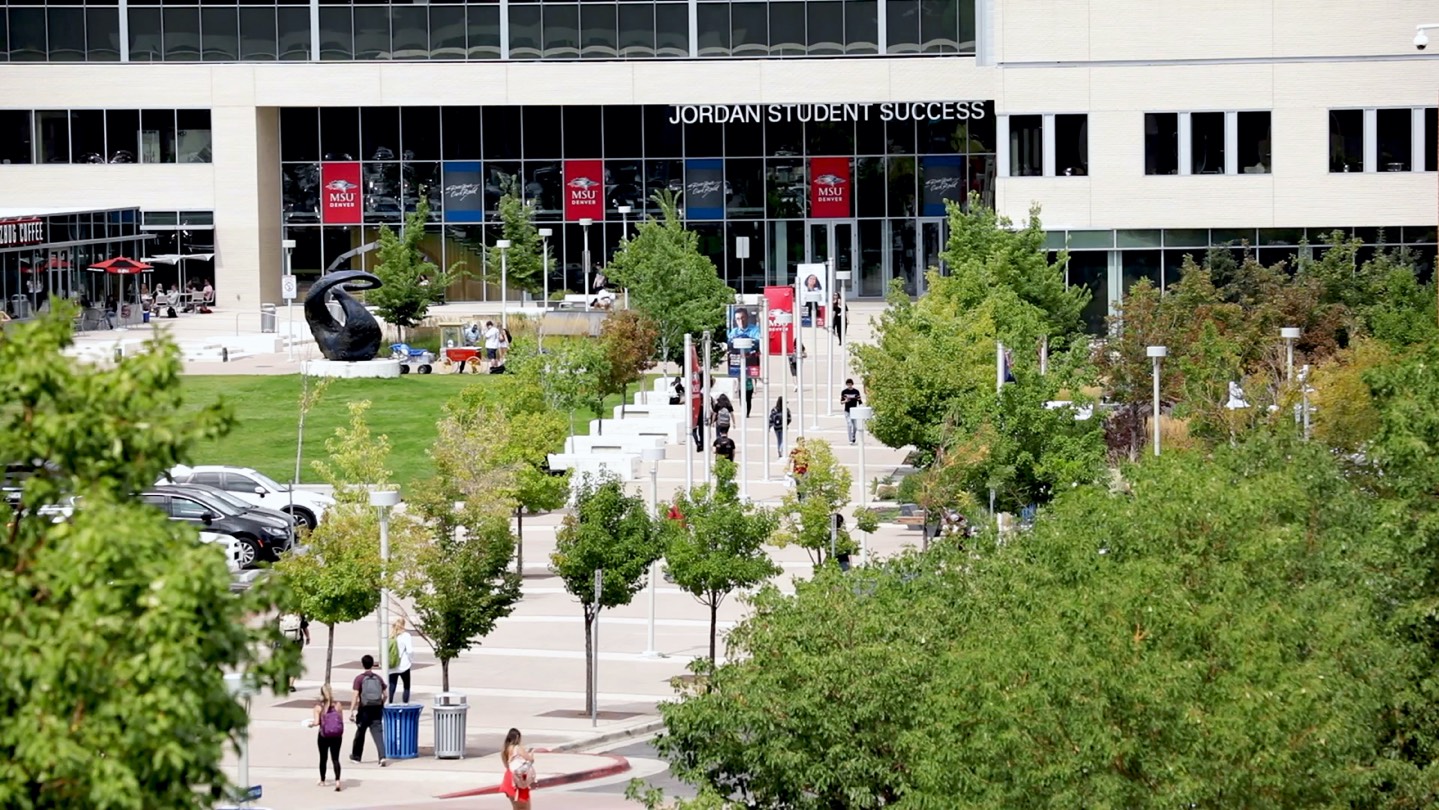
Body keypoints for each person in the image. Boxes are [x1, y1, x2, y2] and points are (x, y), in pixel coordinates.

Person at [348, 654, 388, 767]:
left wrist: (351, 710)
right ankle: (382, 756)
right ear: (372, 664)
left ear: (362, 664)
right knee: (378, 734)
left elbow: (355, 696)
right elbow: (386, 694)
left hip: (364, 709)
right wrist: (381, 703)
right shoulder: (378, 678)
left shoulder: (359, 679)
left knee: (360, 732)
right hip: (377, 709)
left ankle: (356, 756)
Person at [310, 684, 345, 791]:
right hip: (337, 735)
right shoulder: (338, 705)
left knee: (323, 758)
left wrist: (311, 724)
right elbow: (341, 721)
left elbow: (316, 723)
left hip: (324, 735)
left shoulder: (318, 707)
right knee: (335, 758)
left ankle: (322, 780)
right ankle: (338, 781)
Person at [500, 728, 536, 809]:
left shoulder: (505, 750)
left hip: (509, 779)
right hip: (518, 780)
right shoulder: (517, 748)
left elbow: (507, 766)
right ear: (517, 738)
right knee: (525, 808)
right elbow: (530, 760)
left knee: (516, 808)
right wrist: (531, 753)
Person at [388, 617, 413, 704]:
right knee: (406, 686)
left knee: (392, 686)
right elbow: (410, 650)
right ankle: (405, 705)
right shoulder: (406, 636)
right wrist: (411, 660)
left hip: (392, 665)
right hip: (404, 665)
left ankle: (389, 704)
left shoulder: (390, 636)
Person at [840, 379, 863, 444]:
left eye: (850, 384)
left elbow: (860, 401)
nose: (849, 385)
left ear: (852, 384)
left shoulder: (856, 391)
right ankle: (850, 439)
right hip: (847, 410)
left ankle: (853, 436)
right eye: (848, 384)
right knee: (849, 424)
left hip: (854, 411)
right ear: (846, 384)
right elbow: (841, 402)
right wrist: (845, 401)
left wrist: (861, 407)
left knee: (855, 426)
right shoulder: (844, 392)